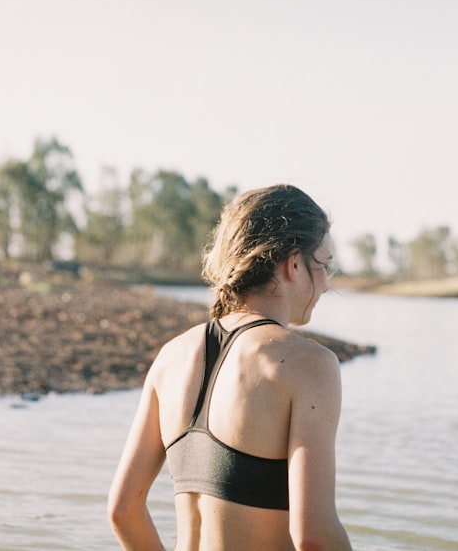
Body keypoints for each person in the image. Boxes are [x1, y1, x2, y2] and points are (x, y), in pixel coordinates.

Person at [108, 184, 353, 550]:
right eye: (325, 264)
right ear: (295, 263)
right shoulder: (309, 365)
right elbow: (313, 536)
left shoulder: (171, 357)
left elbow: (123, 509)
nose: (325, 285)